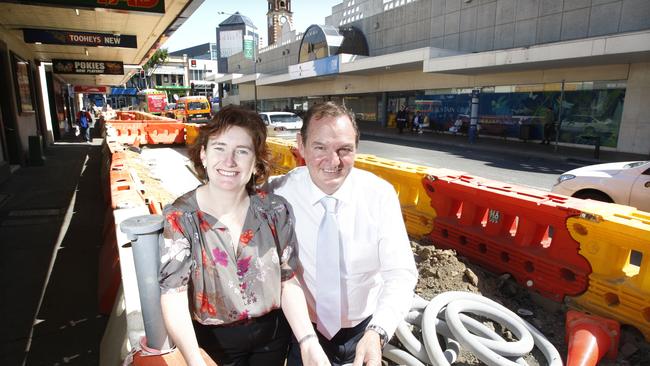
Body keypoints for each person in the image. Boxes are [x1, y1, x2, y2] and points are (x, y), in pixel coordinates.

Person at [159, 106, 329, 366]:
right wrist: (194, 358)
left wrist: (308, 341)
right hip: (214, 343)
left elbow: (288, 279)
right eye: (219, 148)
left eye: (242, 151)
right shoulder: (181, 218)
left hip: (272, 336)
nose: (229, 161)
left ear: (255, 161)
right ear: (203, 154)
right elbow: (173, 293)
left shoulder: (274, 210)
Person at [269, 102, 418, 366]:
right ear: (300, 145)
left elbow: (400, 272)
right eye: (320, 147)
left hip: (363, 331)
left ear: (356, 149)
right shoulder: (278, 194)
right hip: (302, 330)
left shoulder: (379, 196)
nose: (333, 161)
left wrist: (378, 331)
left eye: (344, 149)